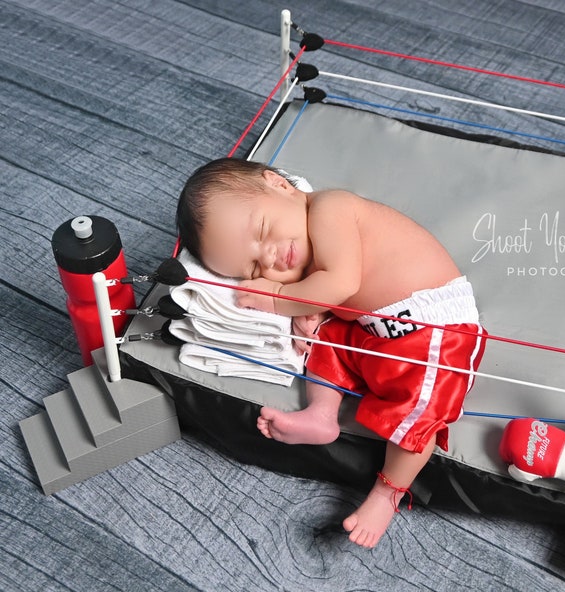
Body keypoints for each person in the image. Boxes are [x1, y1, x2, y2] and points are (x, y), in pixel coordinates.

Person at [176, 158, 485, 548]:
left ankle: (387, 494)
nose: (269, 256)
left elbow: (341, 281)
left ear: (279, 184)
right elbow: (338, 292)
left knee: (416, 411)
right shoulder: (303, 248)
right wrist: (313, 311)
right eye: (254, 266)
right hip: (378, 331)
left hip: (435, 329)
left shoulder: (330, 208)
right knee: (324, 341)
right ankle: (322, 414)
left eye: (263, 229)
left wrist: (279, 298)